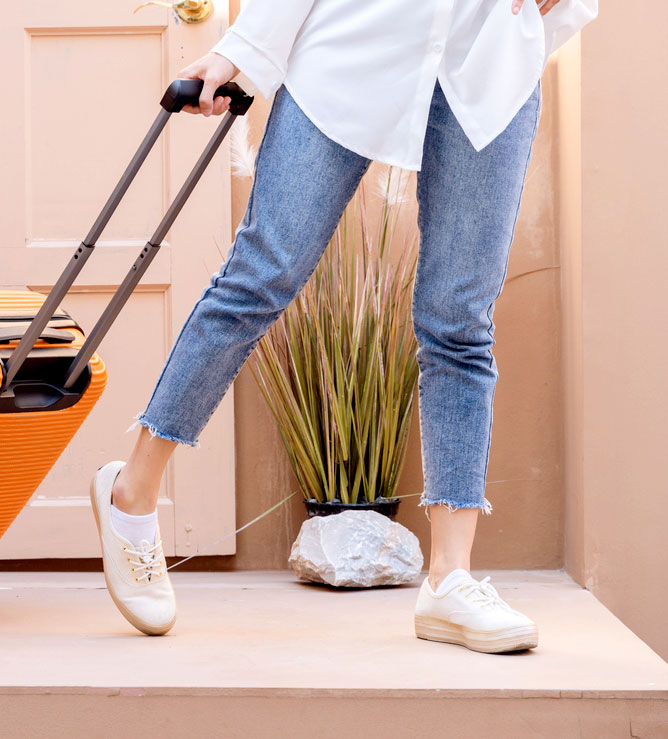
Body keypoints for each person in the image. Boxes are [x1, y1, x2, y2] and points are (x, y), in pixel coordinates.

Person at [88, 0, 597, 652]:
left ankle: (450, 580)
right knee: (259, 276)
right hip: (351, 51)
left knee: (460, 323)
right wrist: (241, 49)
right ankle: (133, 492)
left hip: (488, 67)